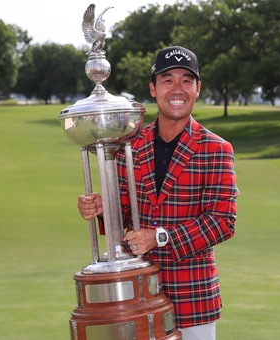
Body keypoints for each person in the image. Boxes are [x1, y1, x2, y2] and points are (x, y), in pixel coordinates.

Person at [77, 46, 239, 340]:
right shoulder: (130, 144)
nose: (177, 89)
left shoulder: (216, 148)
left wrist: (160, 236)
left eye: (186, 80)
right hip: (135, 294)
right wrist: (104, 207)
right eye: (168, 80)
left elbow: (222, 221)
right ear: (153, 88)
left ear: (197, 89)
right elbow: (125, 213)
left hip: (193, 299)